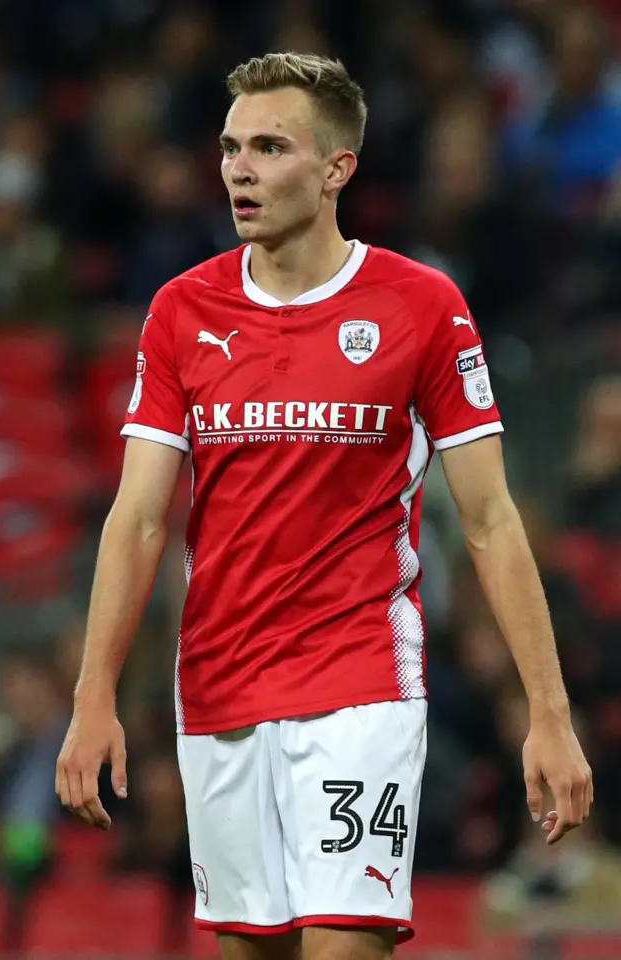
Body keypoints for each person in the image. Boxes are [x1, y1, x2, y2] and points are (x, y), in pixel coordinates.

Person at [56, 53, 593, 960]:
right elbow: (139, 520)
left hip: (361, 683)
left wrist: (549, 712)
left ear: (337, 168)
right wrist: (93, 697)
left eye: (270, 146)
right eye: (231, 147)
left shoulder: (423, 308)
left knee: (344, 947)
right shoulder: (180, 311)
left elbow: (492, 520)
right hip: (218, 686)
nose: (239, 169)